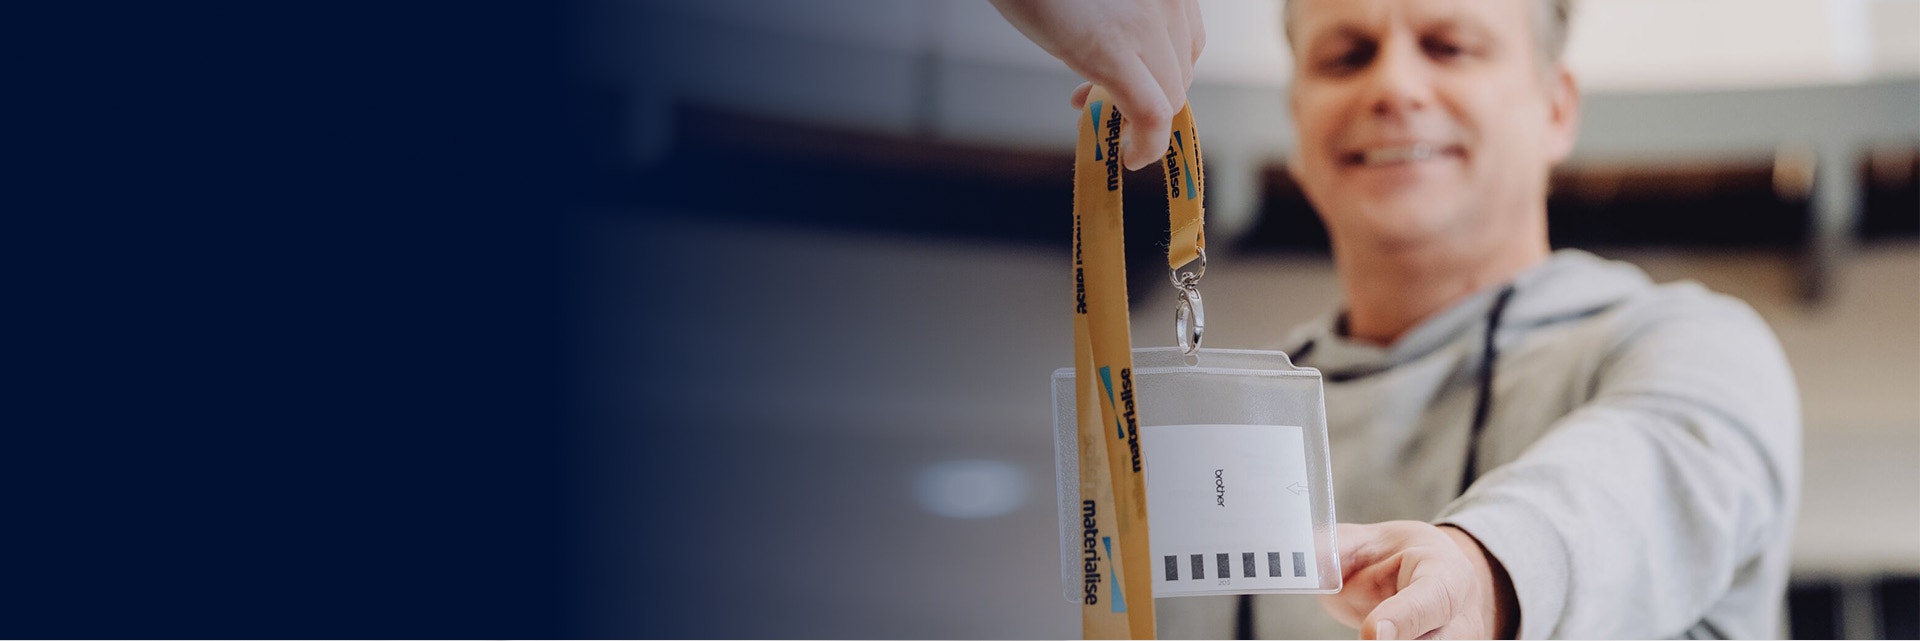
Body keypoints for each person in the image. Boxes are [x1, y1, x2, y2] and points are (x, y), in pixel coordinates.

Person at [990, 0, 1802, 638]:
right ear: (1299, 122)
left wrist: (1484, 569)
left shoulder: (1685, 344)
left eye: (1449, 45)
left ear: (1557, 108)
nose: (1394, 88)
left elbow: (1650, 479)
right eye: (1347, 56)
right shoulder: (1219, 432)